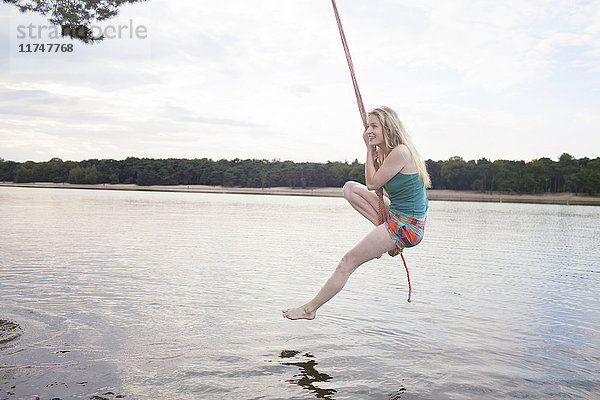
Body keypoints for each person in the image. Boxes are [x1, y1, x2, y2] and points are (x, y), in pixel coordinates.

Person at [282, 106, 431, 320]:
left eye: (374, 126)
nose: (368, 131)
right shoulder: (388, 153)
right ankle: (385, 238)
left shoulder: (401, 152)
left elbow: (372, 183)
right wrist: (375, 152)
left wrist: (368, 150)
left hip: (406, 227)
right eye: (367, 126)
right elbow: (371, 185)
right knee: (350, 188)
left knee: (347, 262)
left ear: (387, 127)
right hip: (397, 215)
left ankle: (310, 309)